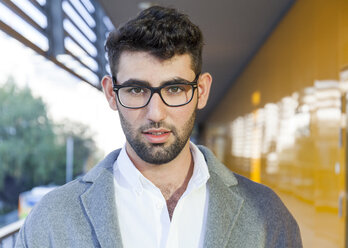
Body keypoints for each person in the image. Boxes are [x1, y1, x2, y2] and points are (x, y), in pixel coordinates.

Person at [15, 5, 302, 248]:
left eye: (175, 89)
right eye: (136, 90)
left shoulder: (267, 216)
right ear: (111, 94)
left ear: (201, 91)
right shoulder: (49, 222)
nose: (155, 113)